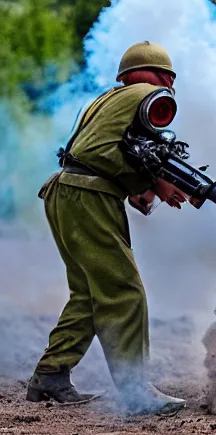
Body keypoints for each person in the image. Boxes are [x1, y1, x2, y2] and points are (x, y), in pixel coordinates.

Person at [27, 41, 187, 415]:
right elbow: (115, 157)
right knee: (124, 292)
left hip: (65, 191)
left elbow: (116, 152)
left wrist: (145, 185)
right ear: (165, 77)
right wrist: (157, 182)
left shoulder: (109, 99)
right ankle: (135, 393)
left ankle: (51, 374)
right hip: (89, 195)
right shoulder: (151, 96)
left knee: (88, 295)